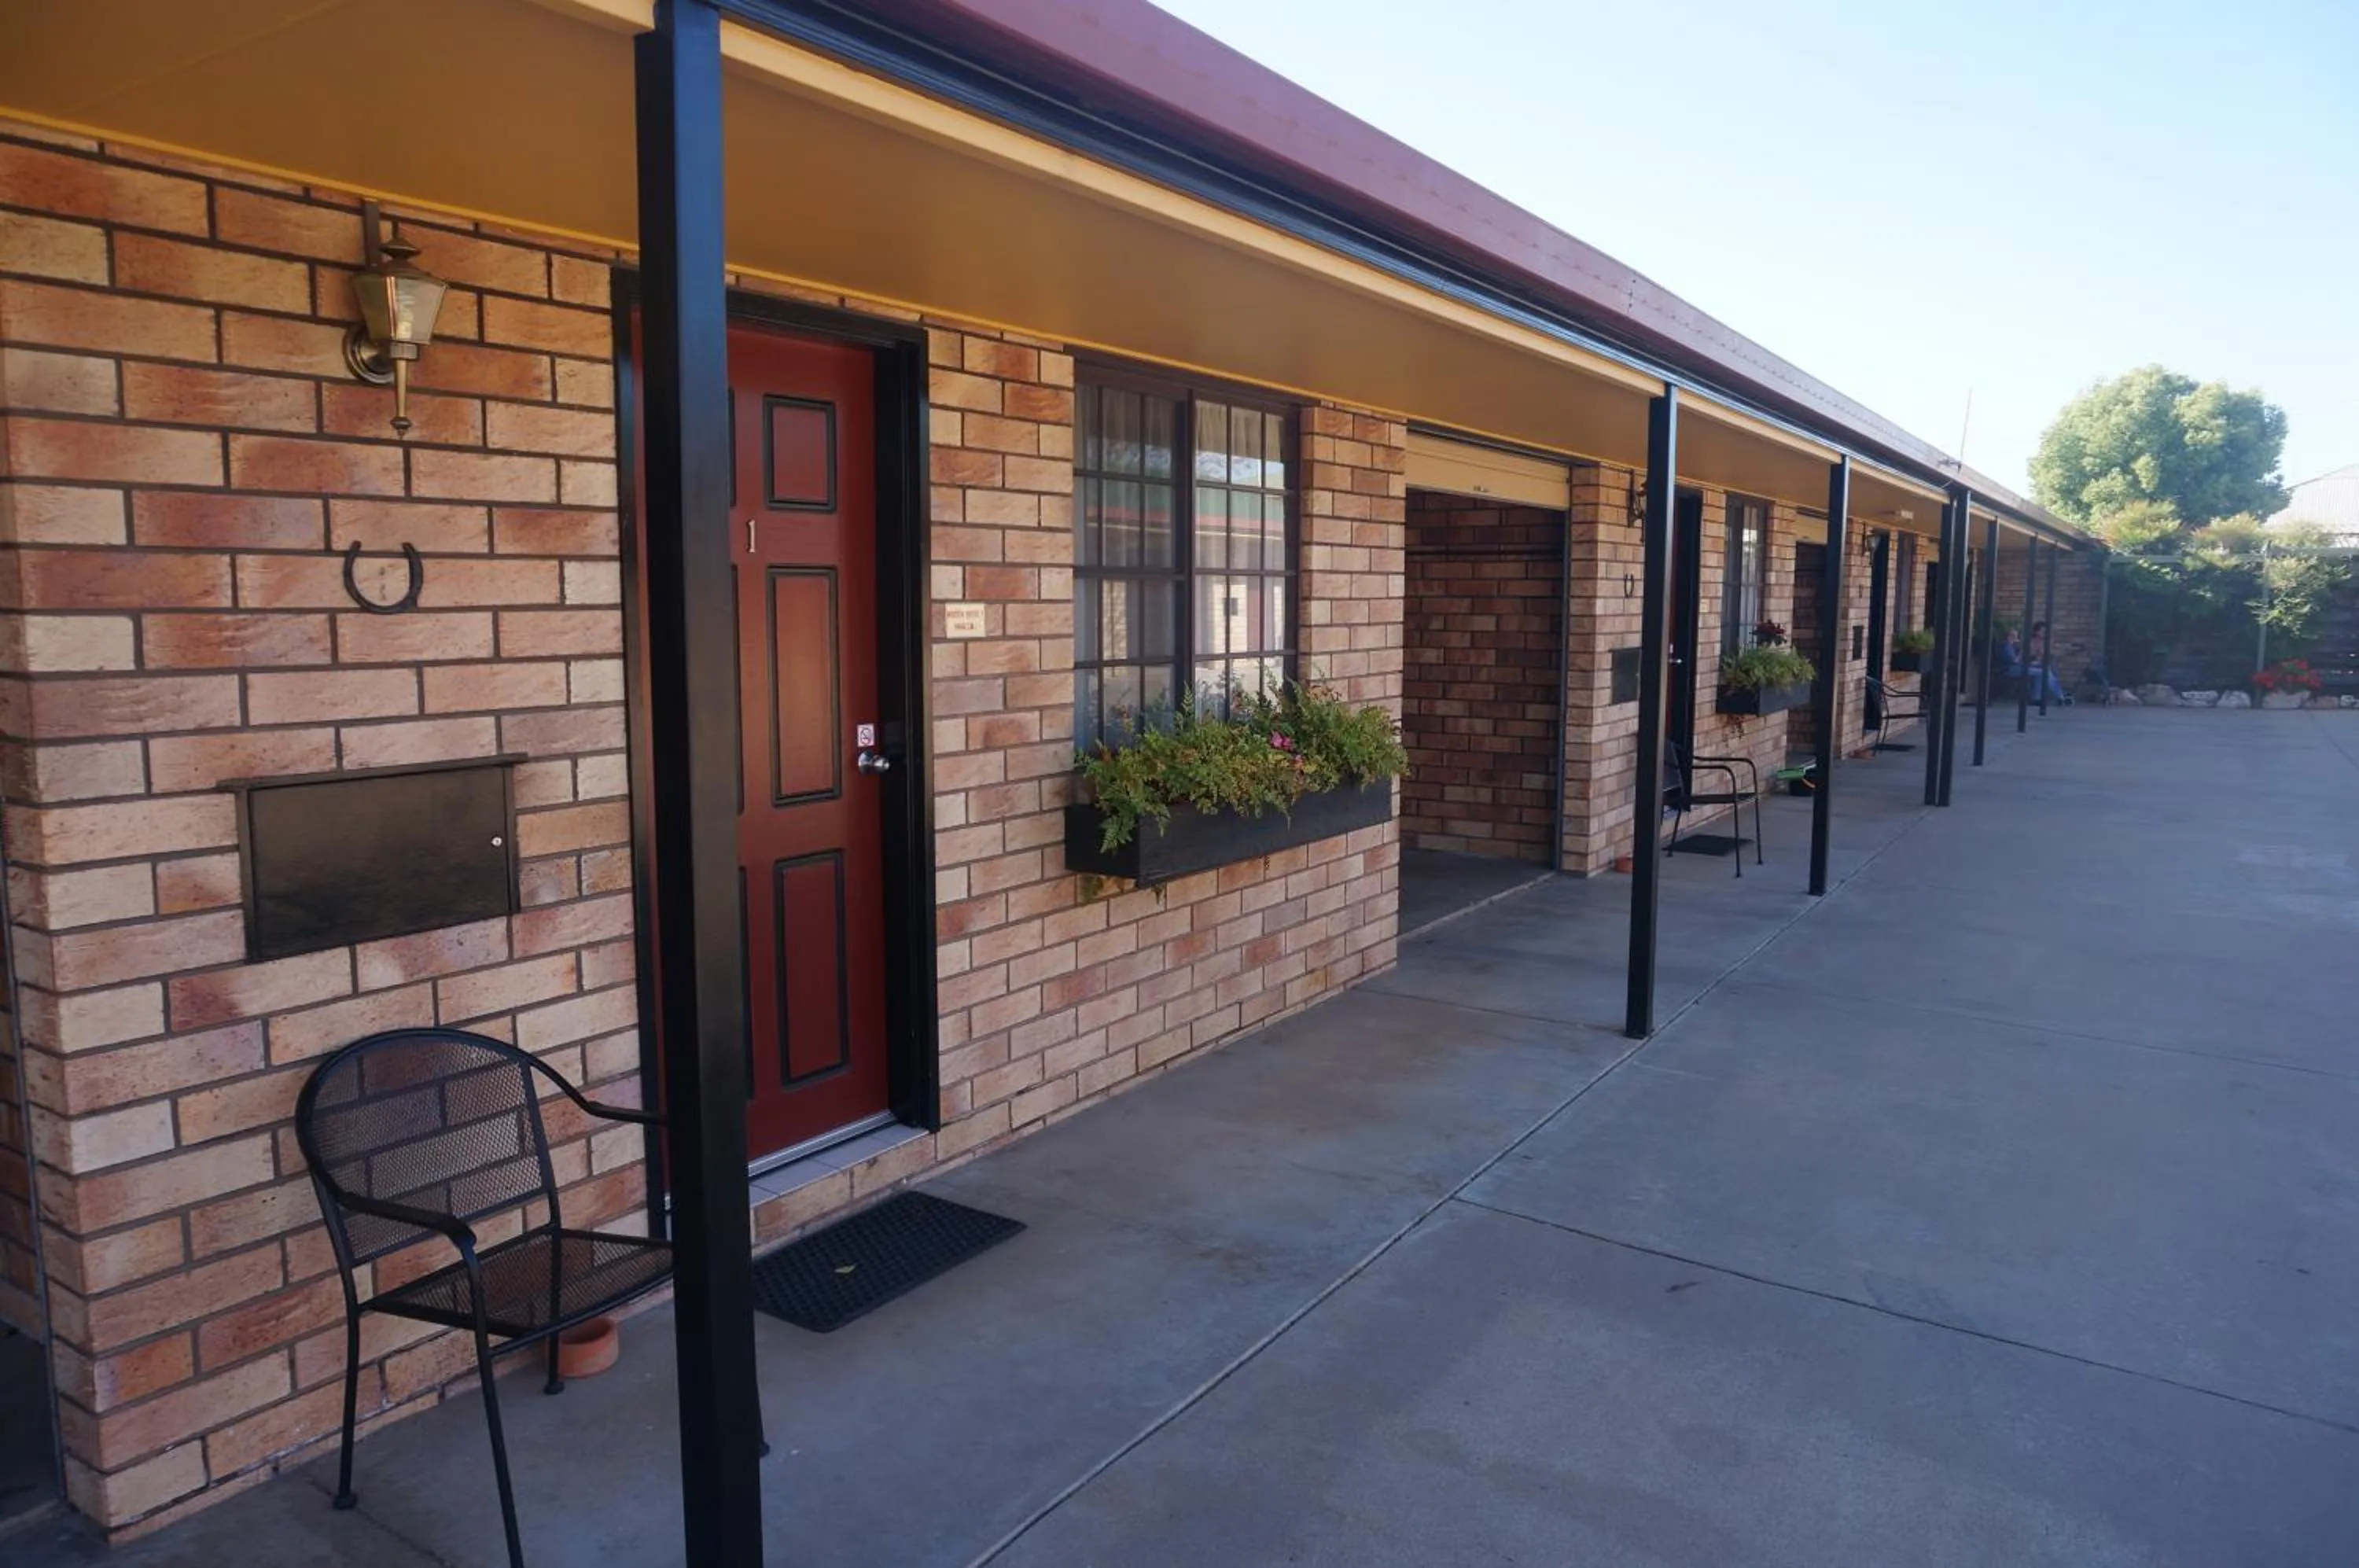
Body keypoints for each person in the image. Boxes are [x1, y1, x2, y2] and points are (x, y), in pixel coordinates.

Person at [2026, 621, 2071, 706]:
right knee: (2045, 672)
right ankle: (2060, 696)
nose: (2044, 633)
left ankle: (2036, 698)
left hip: (2039, 665)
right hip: (2028, 665)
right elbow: (2030, 656)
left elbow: (2048, 653)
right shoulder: (2032, 642)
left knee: (2049, 669)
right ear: (2037, 632)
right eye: (2042, 631)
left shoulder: (2044, 642)